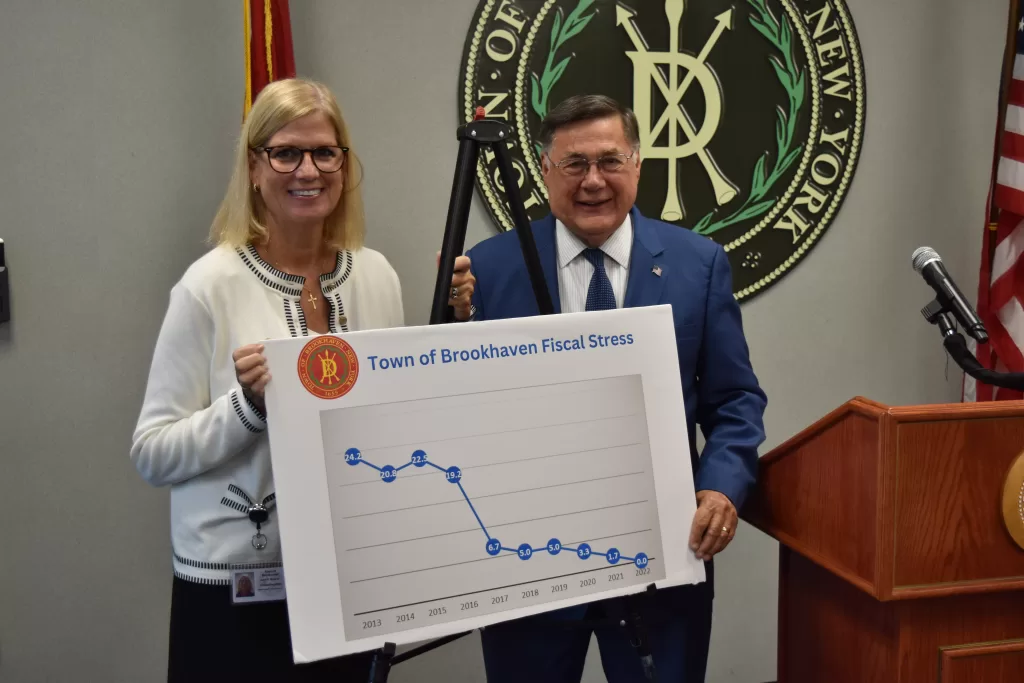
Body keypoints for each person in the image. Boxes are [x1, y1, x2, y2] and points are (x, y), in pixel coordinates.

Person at [130, 77, 475, 681]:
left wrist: (451, 330)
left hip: (347, 578)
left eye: (325, 152)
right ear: (255, 168)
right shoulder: (210, 285)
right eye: (286, 152)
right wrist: (249, 407)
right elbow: (153, 453)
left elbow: (389, 424)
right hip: (233, 591)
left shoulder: (375, 276)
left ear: (345, 166)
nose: (307, 170)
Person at [466, 94, 767, 683]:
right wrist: (447, 324)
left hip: (661, 558)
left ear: (637, 162)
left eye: (610, 161)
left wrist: (722, 490)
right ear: (545, 171)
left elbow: (735, 401)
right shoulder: (487, 268)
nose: (594, 181)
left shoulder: (698, 263)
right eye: (574, 164)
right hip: (529, 568)